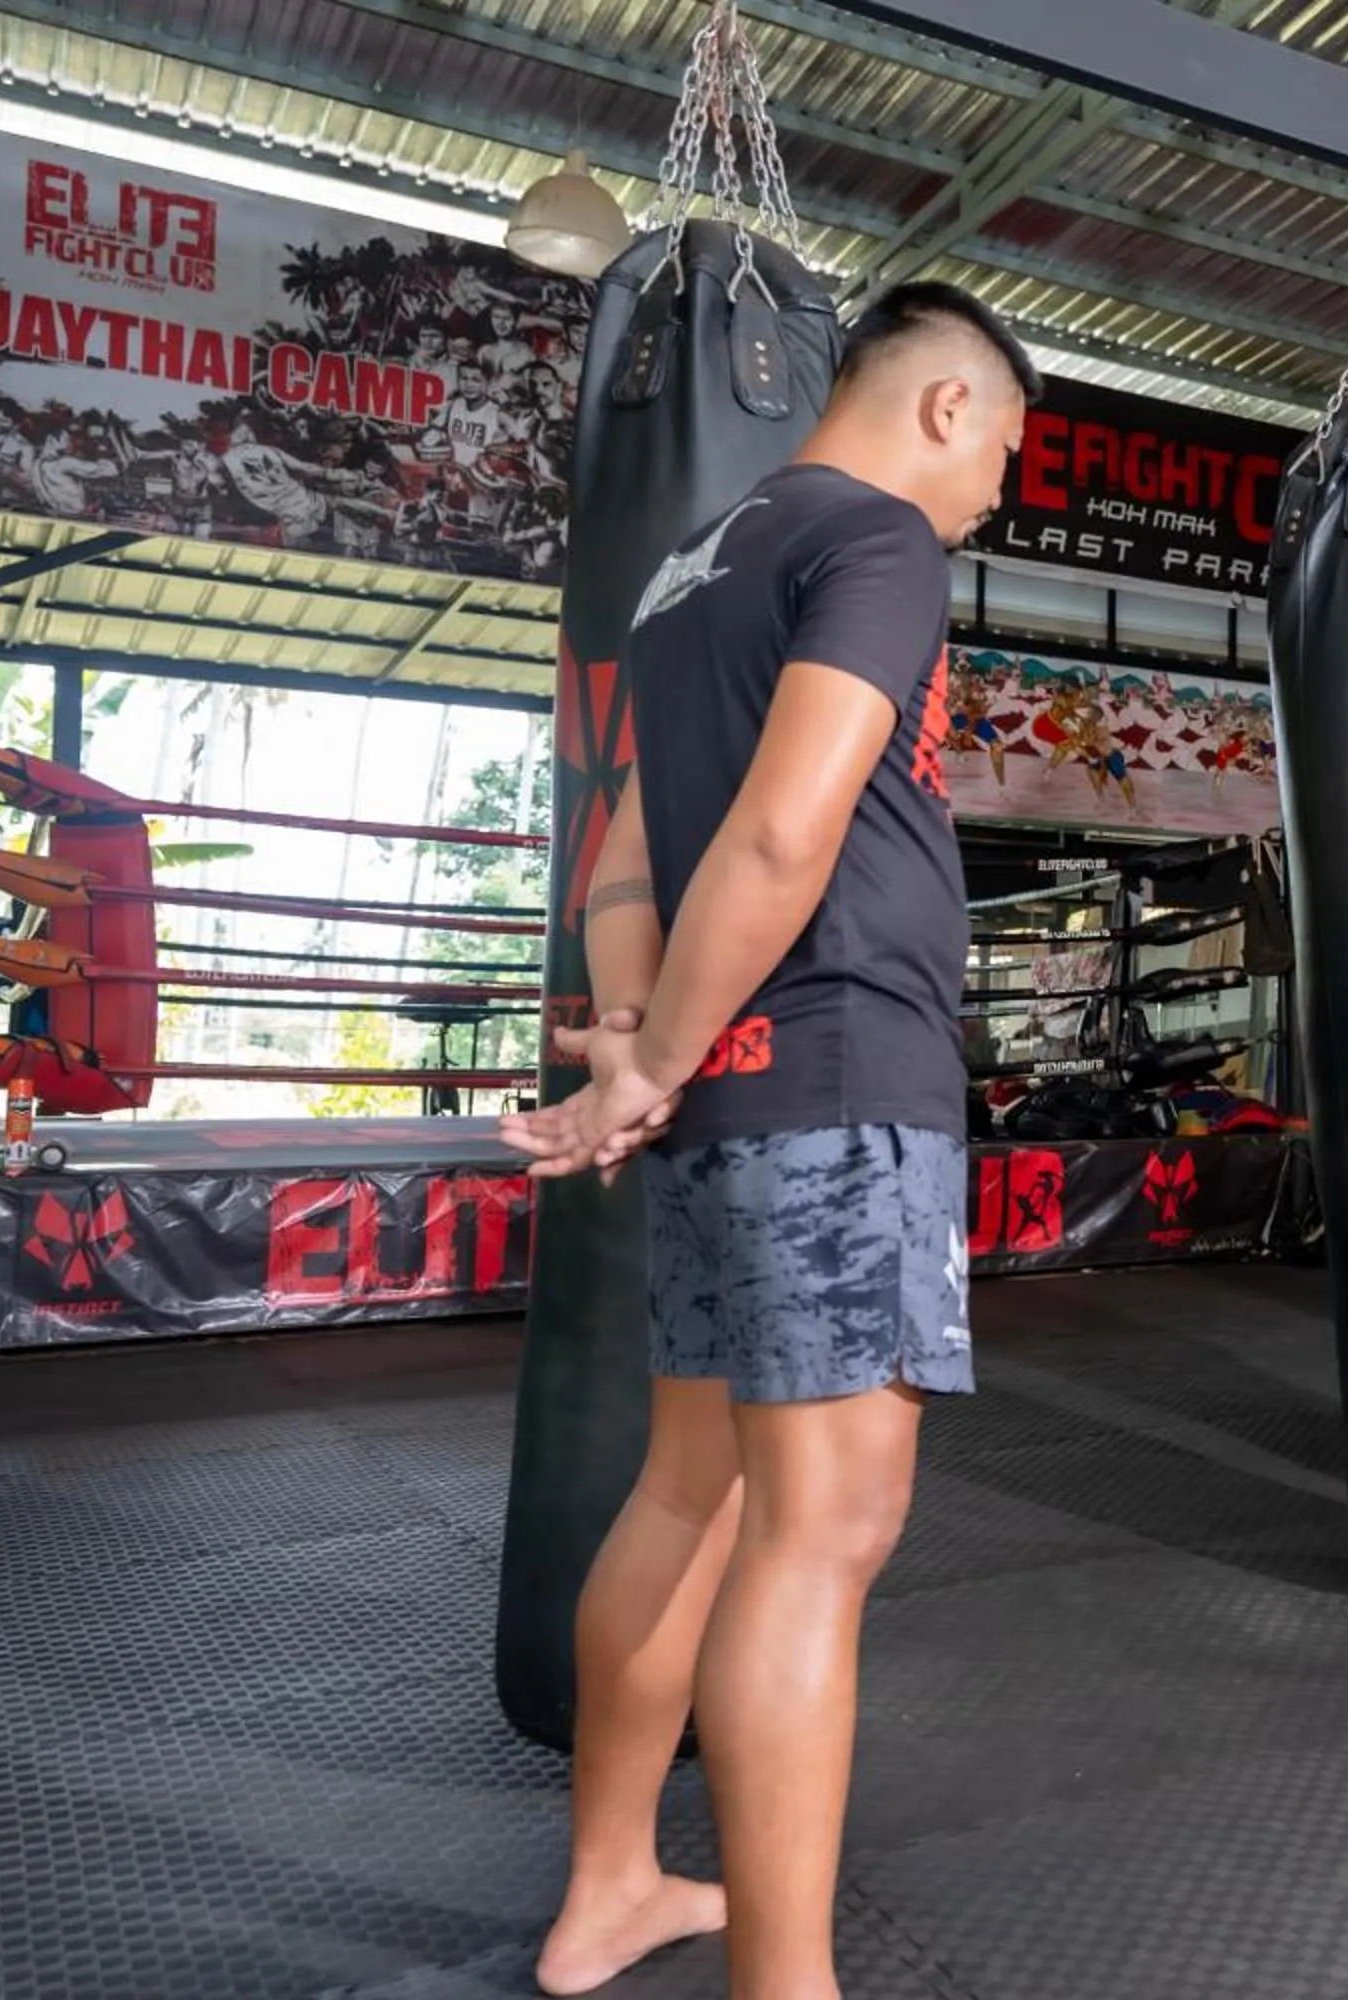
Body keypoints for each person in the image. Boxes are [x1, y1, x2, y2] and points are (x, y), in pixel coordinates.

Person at [498, 280, 1040, 1996]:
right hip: (837, 1079)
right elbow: (786, 838)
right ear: (948, 408)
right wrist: (645, 1060)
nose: (997, 496)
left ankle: (610, 1890)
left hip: (727, 1090)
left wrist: (642, 1052)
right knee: (824, 1534)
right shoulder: (880, 539)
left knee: (690, 1491)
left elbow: (621, 864)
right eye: (1005, 456)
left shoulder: (687, 572)